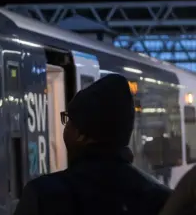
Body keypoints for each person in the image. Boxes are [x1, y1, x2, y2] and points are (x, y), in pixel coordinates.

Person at [13, 74, 171, 215]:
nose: (65, 129)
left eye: (68, 121)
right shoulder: (163, 200)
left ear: (80, 135)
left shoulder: (42, 196)